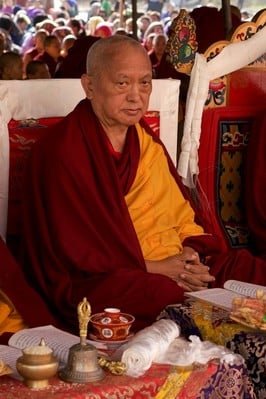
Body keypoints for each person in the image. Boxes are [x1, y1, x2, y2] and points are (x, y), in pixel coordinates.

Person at [21, 35, 265, 335]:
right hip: (110, 278)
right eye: (122, 84)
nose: (136, 96)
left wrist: (190, 259)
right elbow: (79, 257)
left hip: (177, 264)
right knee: (166, 298)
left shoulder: (145, 141)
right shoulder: (62, 151)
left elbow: (180, 216)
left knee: (248, 270)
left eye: (145, 83)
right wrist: (162, 268)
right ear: (89, 86)